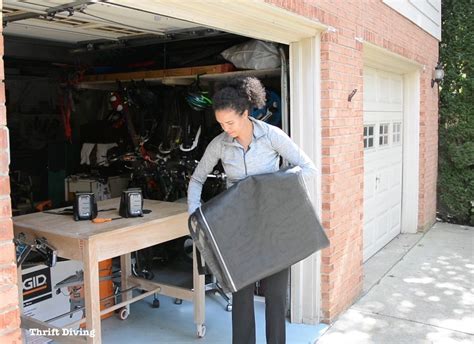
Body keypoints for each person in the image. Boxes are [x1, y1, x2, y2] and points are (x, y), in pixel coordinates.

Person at [187, 76, 316, 344]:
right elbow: (197, 179)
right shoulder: (220, 144)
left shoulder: (271, 136)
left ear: (246, 113)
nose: (226, 128)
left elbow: (308, 169)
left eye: (230, 122)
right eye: (221, 123)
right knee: (241, 293)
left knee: (276, 295)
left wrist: (274, 188)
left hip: (273, 226)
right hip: (239, 227)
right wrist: (194, 213)